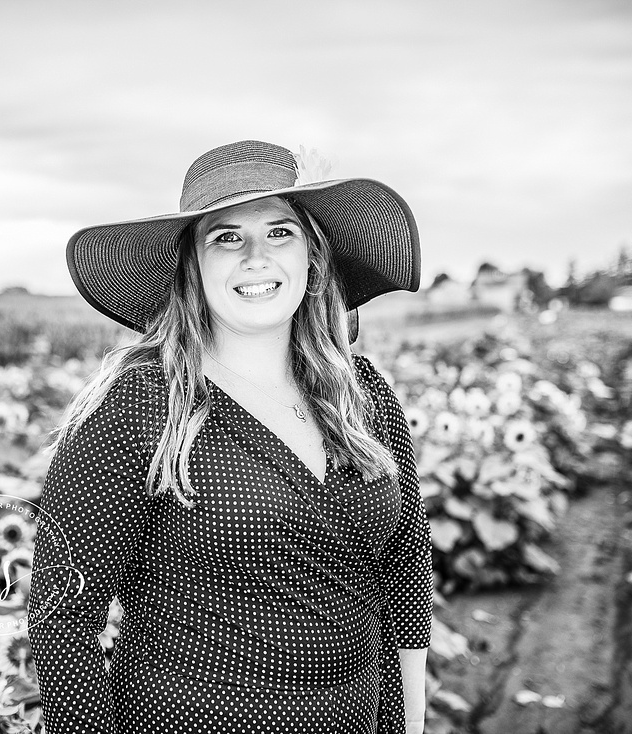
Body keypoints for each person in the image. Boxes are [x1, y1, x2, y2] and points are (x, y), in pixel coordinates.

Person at [27, 140, 433, 734]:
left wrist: (413, 722)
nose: (255, 256)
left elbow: (405, 569)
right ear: (192, 263)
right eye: (226, 236)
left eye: (280, 232)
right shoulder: (143, 405)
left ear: (313, 257)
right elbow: (65, 617)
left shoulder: (363, 395)